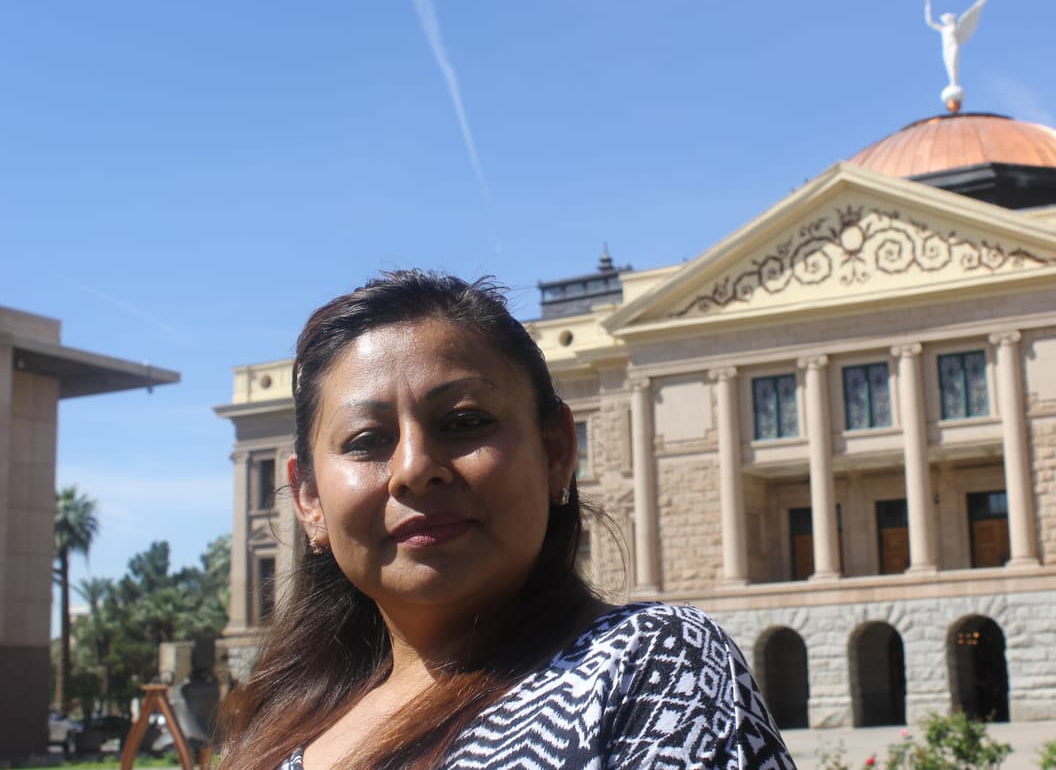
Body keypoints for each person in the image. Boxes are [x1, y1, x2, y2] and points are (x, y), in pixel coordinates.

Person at [217, 270, 795, 769]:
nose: (415, 469)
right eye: (367, 440)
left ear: (556, 452)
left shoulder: (651, 665)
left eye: (465, 422)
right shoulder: (278, 722)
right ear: (308, 500)